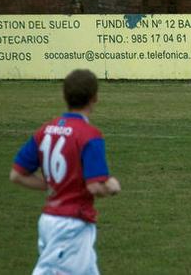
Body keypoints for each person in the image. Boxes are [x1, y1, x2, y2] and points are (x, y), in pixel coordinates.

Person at [10, 69, 121, 275]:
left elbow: (17, 175)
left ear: (65, 96)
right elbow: (95, 185)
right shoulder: (89, 135)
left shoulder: (46, 130)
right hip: (71, 224)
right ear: (95, 97)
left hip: (50, 220)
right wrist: (112, 187)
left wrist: (51, 184)